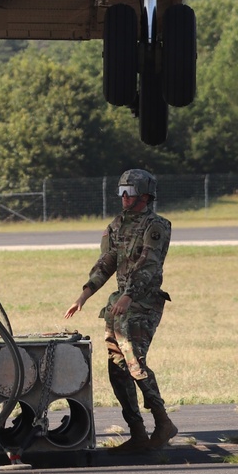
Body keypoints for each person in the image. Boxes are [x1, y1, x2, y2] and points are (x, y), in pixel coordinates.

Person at [64, 168, 178, 453]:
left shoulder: (157, 226)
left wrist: (129, 295)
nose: (124, 198)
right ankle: (137, 433)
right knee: (117, 369)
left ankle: (163, 423)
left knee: (135, 363)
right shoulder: (117, 226)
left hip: (143, 302)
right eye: (121, 192)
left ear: (145, 195)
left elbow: (148, 265)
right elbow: (107, 261)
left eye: (130, 192)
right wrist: (85, 294)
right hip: (119, 305)